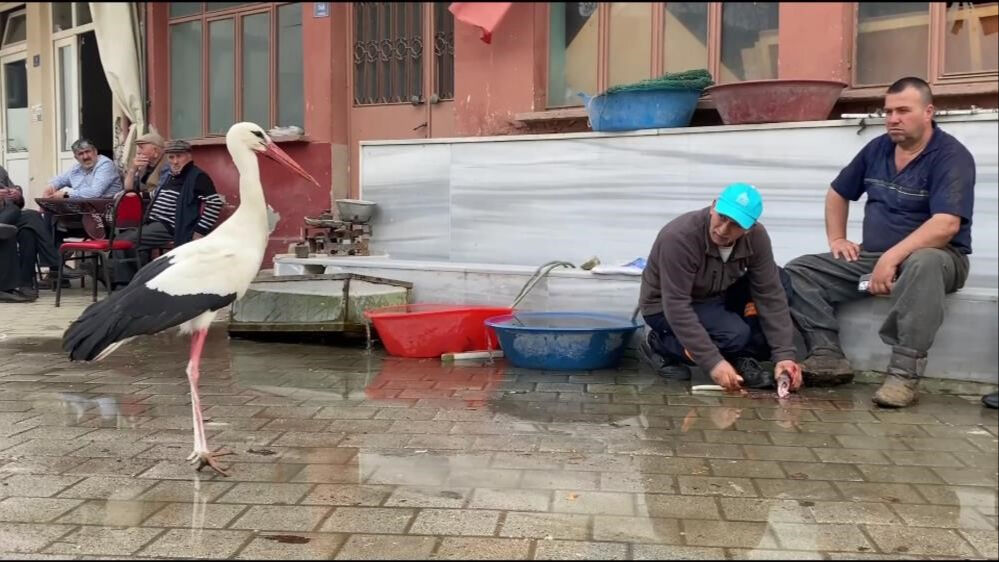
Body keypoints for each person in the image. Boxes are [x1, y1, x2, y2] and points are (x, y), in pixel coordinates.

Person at [784, 77, 976, 409]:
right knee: (799, 271)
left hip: (941, 261)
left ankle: (904, 376)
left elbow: (946, 225)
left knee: (924, 261)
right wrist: (838, 238)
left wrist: (892, 258)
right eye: (887, 111)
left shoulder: (951, 156)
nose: (892, 119)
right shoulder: (877, 149)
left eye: (903, 110)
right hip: (874, 259)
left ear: (928, 111)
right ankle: (827, 355)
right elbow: (837, 193)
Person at [637, 182, 803, 392]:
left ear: (749, 228)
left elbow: (769, 293)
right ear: (713, 206)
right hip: (665, 305)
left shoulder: (757, 237)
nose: (723, 230)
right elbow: (677, 305)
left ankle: (738, 356)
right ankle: (660, 345)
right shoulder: (679, 237)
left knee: (781, 281)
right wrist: (712, 362)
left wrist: (784, 356)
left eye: (735, 224)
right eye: (722, 217)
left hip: (715, 294)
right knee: (734, 335)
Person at [111, 140, 223, 288]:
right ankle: (135, 282)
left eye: (179, 156)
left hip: (172, 226)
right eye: (171, 157)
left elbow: (215, 203)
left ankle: (126, 286)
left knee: (125, 241)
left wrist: (200, 231)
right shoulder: (170, 175)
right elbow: (155, 195)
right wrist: (133, 194)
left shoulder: (197, 177)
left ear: (189, 156)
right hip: (153, 223)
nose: (175, 161)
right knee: (121, 238)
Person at [0, 182, 60, 302]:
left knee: (28, 229)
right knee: (17, 217)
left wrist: (17, 195)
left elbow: (18, 200)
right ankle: (56, 263)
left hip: (8, 215)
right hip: (8, 213)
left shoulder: (1, 172)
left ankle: (24, 284)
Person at [42, 138, 123, 199]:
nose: (85, 157)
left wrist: (66, 194)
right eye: (81, 154)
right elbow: (60, 180)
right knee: (50, 206)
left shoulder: (105, 164)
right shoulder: (76, 168)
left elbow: (95, 193)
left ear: (95, 151)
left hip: (106, 209)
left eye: (88, 152)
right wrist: (51, 187)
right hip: (85, 208)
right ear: (76, 157)